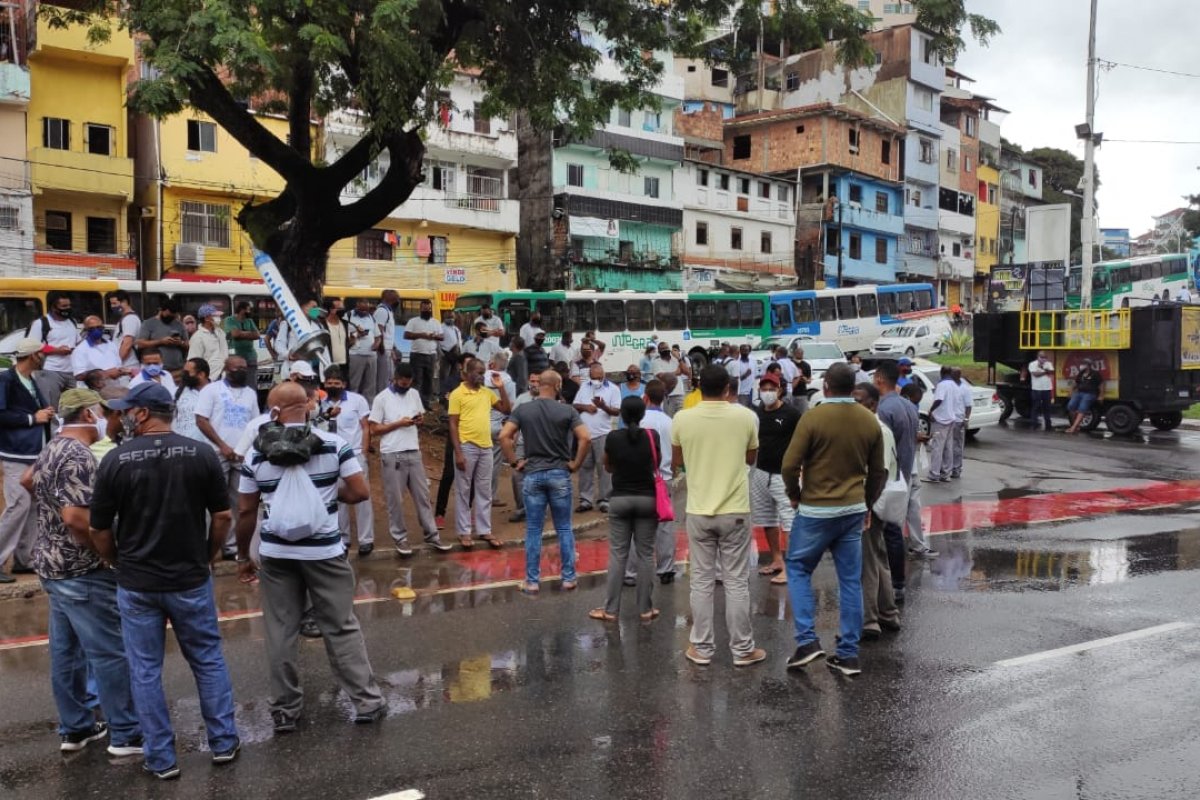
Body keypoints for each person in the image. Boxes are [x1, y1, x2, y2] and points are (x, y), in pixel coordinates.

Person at [89, 382, 240, 779]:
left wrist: (115, 562)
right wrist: (208, 554)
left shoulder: (117, 460)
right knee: (207, 660)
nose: (121, 417)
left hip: (138, 582)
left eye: (126, 411)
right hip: (190, 577)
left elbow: (99, 529)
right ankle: (223, 742)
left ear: (141, 414)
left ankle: (161, 758)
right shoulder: (202, 454)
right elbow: (223, 517)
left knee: (144, 670)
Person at [236, 382, 388, 735]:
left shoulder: (256, 453)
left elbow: (245, 511)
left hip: (276, 554)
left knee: (280, 631)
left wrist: (244, 555)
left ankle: (286, 711)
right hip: (324, 551)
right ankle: (366, 702)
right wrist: (329, 496)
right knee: (340, 625)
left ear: (272, 411)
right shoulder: (334, 445)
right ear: (306, 406)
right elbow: (361, 492)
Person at [27, 388, 143, 756]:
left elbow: (26, 480)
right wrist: (105, 554)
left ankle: (75, 728)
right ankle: (125, 732)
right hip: (81, 569)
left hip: (51, 564)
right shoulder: (79, 455)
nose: (108, 418)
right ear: (91, 411)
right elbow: (77, 517)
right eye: (103, 410)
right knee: (109, 652)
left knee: (67, 653)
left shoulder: (52, 448)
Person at [781, 363, 886, 677]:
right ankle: (848, 654)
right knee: (850, 581)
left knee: (798, 569)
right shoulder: (869, 421)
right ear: (852, 388)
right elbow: (879, 472)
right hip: (852, 509)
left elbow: (789, 465)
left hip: (815, 509)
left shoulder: (813, 418)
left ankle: (807, 640)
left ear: (826, 386)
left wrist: (794, 494)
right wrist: (867, 504)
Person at [671, 365, 765, 668]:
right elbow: (751, 457)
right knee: (737, 582)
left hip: (699, 510)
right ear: (728, 388)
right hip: (735, 508)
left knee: (701, 581)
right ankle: (742, 649)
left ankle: (701, 648)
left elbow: (677, 462)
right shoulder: (745, 416)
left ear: (698, 388)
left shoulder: (682, 418)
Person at [499, 369, 590, 594]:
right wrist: (575, 464)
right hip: (559, 473)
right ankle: (568, 577)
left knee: (533, 529)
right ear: (558, 386)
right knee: (564, 528)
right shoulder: (567, 410)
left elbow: (504, 436)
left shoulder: (523, 409)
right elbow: (585, 437)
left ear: (539, 385)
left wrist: (514, 462)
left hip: (533, 474)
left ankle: (532, 581)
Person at [587, 396, 661, 622]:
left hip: (620, 499)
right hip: (647, 499)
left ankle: (610, 610)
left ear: (621, 414)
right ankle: (645, 609)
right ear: (642, 414)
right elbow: (657, 463)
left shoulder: (613, 437)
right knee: (646, 554)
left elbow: (607, 466)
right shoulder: (652, 435)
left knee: (618, 555)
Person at [368, 364, 450, 556]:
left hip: (413, 451)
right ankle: (400, 538)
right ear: (395, 378)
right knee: (395, 499)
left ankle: (432, 535)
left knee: (423, 497)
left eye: (408, 382)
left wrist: (418, 421)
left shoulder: (413, 394)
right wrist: (398, 423)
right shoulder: (382, 398)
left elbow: (419, 416)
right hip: (392, 453)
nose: (405, 386)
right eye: (402, 382)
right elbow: (374, 429)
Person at [873, 362, 934, 595]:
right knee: (896, 529)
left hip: (888, 477)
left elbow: (884, 446)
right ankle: (898, 583)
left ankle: (887, 581)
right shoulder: (909, 406)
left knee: (884, 531)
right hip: (906, 474)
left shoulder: (883, 409)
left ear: (879, 378)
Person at [194, 355, 260, 558]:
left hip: (241, 456)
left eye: (244, 368)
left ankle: (231, 548)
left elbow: (254, 425)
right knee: (213, 502)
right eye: (236, 368)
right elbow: (201, 420)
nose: (241, 371)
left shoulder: (250, 393)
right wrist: (222, 446)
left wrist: (243, 450)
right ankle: (207, 548)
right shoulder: (211, 390)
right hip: (216, 453)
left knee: (240, 504)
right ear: (226, 369)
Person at [850, 382, 902, 641]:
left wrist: (867, 507)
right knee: (878, 558)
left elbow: (878, 473)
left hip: (871, 502)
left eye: (858, 401)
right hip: (878, 501)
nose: (853, 405)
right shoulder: (876, 427)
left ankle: (869, 620)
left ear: (872, 404)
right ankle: (888, 612)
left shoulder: (875, 429)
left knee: (867, 562)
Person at [0, 339, 54, 583]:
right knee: (19, 504)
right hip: (15, 452)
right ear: (32, 355)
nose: (43, 356)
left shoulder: (31, 380)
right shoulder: (6, 380)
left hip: (34, 451)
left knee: (32, 505)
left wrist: (44, 414)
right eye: (41, 353)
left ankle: (25, 559)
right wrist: (34, 418)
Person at [447, 357, 511, 548]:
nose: (482, 376)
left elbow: (506, 409)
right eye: (478, 372)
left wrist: (500, 387)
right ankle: (464, 532)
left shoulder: (486, 393)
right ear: (466, 374)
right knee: (464, 490)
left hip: (486, 447)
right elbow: (452, 424)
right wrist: (458, 452)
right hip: (467, 446)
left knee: (484, 490)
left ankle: (484, 530)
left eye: (483, 373)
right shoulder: (458, 394)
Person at [317, 365, 377, 556]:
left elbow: (365, 427)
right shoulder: (320, 404)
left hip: (354, 453)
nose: (333, 385)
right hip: (331, 457)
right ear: (324, 384)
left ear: (344, 384)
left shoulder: (357, 400)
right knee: (337, 497)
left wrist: (364, 452)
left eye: (336, 382)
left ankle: (366, 539)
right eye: (329, 382)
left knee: (362, 497)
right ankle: (343, 538)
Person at [622, 379, 676, 585]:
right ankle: (666, 569)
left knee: (637, 526)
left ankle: (632, 573)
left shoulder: (639, 422)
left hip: (639, 480)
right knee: (665, 524)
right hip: (664, 480)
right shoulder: (671, 423)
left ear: (646, 396)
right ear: (664, 398)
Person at [751, 372, 801, 584]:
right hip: (761, 473)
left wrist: (801, 470)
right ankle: (776, 560)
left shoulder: (791, 414)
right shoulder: (756, 414)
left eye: (772, 389)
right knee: (767, 519)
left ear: (780, 390)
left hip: (784, 475)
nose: (768, 393)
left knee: (789, 521)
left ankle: (791, 568)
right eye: (764, 388)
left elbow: (802, 443)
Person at [573, 362, 621, 513]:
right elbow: (575, 405)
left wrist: (603, 407)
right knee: (585, 468)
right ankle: (586, 500)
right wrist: (586, 407)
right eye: (594, 377)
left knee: (604, 468)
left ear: (604, 375)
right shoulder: (584, 387)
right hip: (585, 435)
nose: (596, 380)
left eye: (599, 377)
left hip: (603, 434)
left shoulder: (613, 389)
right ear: (590, 375)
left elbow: (616, 411)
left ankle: (605, 499)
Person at [28, 291, 79, 410]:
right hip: (50, 371)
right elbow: (33, 346)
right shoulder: (41, 323)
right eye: (64, 307)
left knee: (74, 407)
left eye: (69, 306)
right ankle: (52, 429)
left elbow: (77, 341)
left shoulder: (72, 322)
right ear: (53, 307)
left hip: (72, 371)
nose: (67, 309)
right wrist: (57, 350)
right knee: (51, 406)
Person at [72, 316, 129, 389]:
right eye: (92, 328)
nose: (96, 330)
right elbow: (78, 376)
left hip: (114, 389)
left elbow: (118, 366)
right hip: (92, 392)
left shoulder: (111, 345)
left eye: (99, 327)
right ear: (86, 330)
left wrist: (123, 371)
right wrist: (106, 374)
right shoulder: (80, 350)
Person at [404, 298, 442, 407]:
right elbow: (406, 335)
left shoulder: (436, 322)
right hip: (417, 355)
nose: (427, 311)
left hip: (431, 355)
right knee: (416, 380)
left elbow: (442, 336)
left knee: (428, 381)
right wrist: (422, 335)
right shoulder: (413, 321)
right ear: (420, 309)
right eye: (424, 309)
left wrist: (434, 336)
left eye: (429, 309)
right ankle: (414, 404)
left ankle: (425, 403)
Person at [137, 299, 188, 379]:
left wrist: (180, 343)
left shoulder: (179, 325)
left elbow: (187, 345)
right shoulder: (148, 324)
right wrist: (160, 342)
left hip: (177, 370)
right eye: (168, 315)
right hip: (156, 370)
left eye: (173, 315)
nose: (171, 317)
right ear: (161, 311)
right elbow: (140, 344)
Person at [925, 366, 957, 482]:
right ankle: (946, 474)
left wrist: (931, 410)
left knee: (937, 447)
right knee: (948, 447)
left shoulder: (942, 385)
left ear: (941, 373)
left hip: (941, 420)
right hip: (951, 419)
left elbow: (939, 399)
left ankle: (934, 474)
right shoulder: (955, 385)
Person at [347, 297, 380, 401]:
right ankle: (352, 404)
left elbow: (378, 335)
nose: (364, 311)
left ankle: (369, 406)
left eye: (366, 309)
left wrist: (377, 344)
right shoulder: (348, 316)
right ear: (357, 306)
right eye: (361, 309)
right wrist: (358, 334)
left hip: (371, 355)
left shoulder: (371, 317)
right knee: (354, 383)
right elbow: (345, 337)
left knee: (370, 384)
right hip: (356, 354)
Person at [172, 358, 210, 444]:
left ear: (201, 374)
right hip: (182, 445)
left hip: (207, 447)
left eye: (187, 373)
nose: (184, 375)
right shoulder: (177, 392)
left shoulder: (217, 392)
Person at [187, 304, 229, 381]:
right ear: (206, 318)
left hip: (224, 376)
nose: (219, 318)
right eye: (215, 316)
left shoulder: (220, 332)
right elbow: (193, 361)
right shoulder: (198, 337)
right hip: (209, 379)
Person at [223, 301, 260, 382]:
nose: (250, 312)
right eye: (248, 310)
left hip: (250, 357)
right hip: (235, 357)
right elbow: (235, 334)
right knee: (234, 381)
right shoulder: (229, 320)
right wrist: (250, 334)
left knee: (251, 383)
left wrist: (241, 333)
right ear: (242, 310)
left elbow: (257, 335)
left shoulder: (249, 320)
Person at [651, 342, 691, 418]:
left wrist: (679, 359)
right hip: (667, 396)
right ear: (659, 351)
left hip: (680, 394)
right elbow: (662, 376)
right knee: (669, 419)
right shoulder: (656, 362)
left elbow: (687, 372)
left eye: (666, 348)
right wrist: (677, 372)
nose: (665, 350)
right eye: (662, 349)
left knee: (682, 419)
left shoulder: (676, 359)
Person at [108, 290, 141, 374]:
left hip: (127, 366)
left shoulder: (130, 319)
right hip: (124, 366)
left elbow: (127, 344)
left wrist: (116, 363)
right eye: (111, 304)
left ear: (125, 302)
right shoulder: (125, 318)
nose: (112, 306)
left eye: (115, 303)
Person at [374, 290, 399, 397]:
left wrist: (392, 350)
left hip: (388, 350)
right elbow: (379, 330)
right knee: (383, 380)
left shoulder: (389, 311)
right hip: (383, 350)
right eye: (396, 298)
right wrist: (382, 347)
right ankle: (382, 401)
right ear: (388, 298)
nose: (398, 300)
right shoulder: (382, 311)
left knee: (389, 378)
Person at [1066, 360, 1102, 434]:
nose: (1081, 366)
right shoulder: (1081, 373)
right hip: (1079, 392)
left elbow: (1101, 384)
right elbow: (1076, 383)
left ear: (1088, 365)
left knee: (1082, 408)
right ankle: (1075, 425)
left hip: (1090, 393)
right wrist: (1071, 391)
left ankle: (1073, 428)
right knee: (1071, 406)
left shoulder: (1095, 374)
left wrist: (1101, 396)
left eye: (1084, 364)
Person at [950, 367, 972, 479]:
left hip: (959, 420)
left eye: (953, 374)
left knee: (957, 446)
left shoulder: (965, 389)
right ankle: (947, 468)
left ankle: (956, 469)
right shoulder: (949, 386)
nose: (951, 375)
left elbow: (968, 406)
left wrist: (966, 419)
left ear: (958, 375)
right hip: (948, 420)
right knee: (948, 446)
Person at [320, 298, 350, 375]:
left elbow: (347, 343)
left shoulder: (345, 323)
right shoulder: (322, 324)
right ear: (331, 309)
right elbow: (310, 312)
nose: (342, 311)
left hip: (344, 363)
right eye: (339, 308)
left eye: (343, 308)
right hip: (329, 363)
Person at [1028, 350, 1055, 431]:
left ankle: (1048, 425)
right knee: (1036, 406)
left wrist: (1043, 369)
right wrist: (1046, 371)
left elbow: (1052, 372)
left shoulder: (1049, 364)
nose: (1043, 359)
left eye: (1045, 357)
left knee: (1047, 407)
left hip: (1047, 388)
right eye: (1041, 357)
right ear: (1038, 357)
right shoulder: (1032, 364)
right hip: (1037, 388)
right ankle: (1034, 424)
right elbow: (1035, 374)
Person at [437, 309, 462, 394]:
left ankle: (452, 394)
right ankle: (443, 395)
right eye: (448, 317)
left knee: (454, 376)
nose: (450, 319)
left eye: (452, 317)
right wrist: (441, 353)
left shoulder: (456, 329)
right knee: (444, 376)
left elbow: (459, 342)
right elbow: (437, 342)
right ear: (444, 317)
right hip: (446, 355)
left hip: (456, 355)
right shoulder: (440, 327)